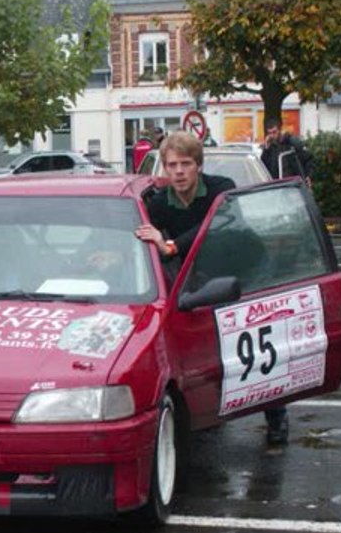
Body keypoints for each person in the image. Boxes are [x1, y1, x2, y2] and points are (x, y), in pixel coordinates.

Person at [134, 131, 289, 446]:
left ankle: (276, 416)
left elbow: (215, 226)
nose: (178, 171)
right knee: (207, 345)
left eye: (186, 164)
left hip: (245, 268)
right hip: (203, 277)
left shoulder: (222, 190)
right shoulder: (160, 203)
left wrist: (171, 245)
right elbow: (142, 234)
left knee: (256, 348)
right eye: (171, 164)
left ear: (198, 166)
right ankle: (209, 412)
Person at [260, 117, 314, 187]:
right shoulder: (270, 149)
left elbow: (308, 159)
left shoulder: (290, 143)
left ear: (280, 130)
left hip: (294, 184)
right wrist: (266, 149)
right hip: (278, 186)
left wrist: (309, 176)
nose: (272, 135)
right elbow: (263, 167)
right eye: (270, 133)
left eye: (274, 132)